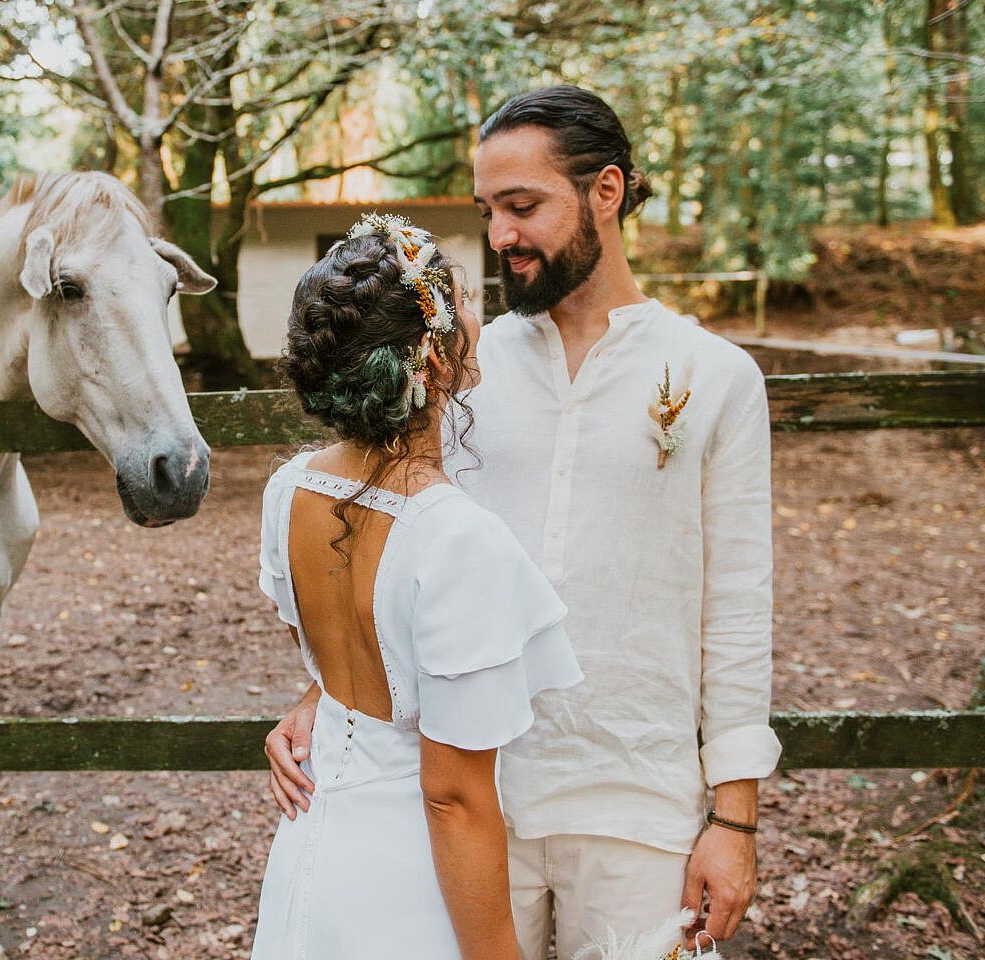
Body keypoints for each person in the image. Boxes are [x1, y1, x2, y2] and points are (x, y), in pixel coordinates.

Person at [264, 86, 781, 960]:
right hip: (475, 791)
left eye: (523, 205)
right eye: (488, 211)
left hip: (637, 804)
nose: (500, 234)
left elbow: (738, 608)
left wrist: (734, 814)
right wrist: (332, 689)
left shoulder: (716, 376)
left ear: (605, 193)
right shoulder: (458, 371)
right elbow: (402, 546)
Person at [249, 214, 583, 960]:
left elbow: (339, 655)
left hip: (314, 849)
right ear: (430, 360)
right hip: (406, 882)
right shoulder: (456, 538)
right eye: (463, 297)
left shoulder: (287, 490)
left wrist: (315, 702)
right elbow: (453, 795)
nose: (480, 310)